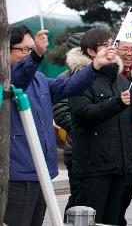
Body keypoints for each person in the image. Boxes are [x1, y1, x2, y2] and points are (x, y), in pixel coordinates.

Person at [6, 25, 115, 226]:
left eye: (31, 49)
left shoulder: (39, 79)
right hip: (18, 173)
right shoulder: (8, 80)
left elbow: (69, 86)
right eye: (23, 49)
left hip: (42, 171)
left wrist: (95, 66)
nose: (27, 54)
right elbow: (19, 79)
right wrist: (37, 55)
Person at [69, 28, 132, 225]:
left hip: (120, 165)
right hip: (94, 166)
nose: (111, 49)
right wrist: (116, 103)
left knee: (113, 219)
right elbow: (84, 114)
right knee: (90, 219)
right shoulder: (81, 79)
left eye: (112, 44)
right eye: (105, 45)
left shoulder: (120, 79)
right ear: (90, 52)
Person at [52, 32, 85, 221]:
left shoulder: (105, 74)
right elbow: (61, 113)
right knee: (78, 201)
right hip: (77, 150)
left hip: (102, 153)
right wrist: (84, 130)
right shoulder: (64, 78)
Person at [115, 40, 132, 226]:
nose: (129, 53)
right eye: (125, 49)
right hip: (116, 138)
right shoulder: (112, 72)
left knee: (129, 187)